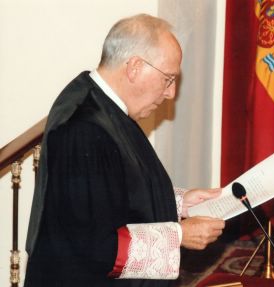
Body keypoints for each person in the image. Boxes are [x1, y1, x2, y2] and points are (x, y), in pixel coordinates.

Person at [24, 13, 225, 287]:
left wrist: (180, 202)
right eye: (168, 79)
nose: (171, 93)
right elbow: (95, 245)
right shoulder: (85, 127)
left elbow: (113, 191)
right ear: (134, 67)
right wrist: (179, 235)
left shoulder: (103, 104)